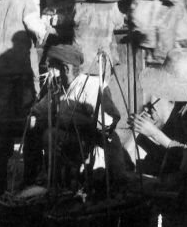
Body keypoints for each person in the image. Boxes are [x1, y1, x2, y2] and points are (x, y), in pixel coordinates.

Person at [27, 44, 123, 192]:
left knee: (51, 134)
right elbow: (37, 112)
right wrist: (33, 119)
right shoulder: (57, 91)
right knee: (48, 134)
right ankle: (56, 187)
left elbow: (108, 123)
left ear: (66, 69)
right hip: (75, 145)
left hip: (97, 147)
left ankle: (94, 184)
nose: (48, 72)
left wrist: (74, 121)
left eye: (51, 67)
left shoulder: (91, 86)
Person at [125, 48, 187, 183]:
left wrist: (154, 133)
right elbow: (170, 141)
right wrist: (157, 125)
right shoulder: (180, 104)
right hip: (167, 167)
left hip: (184, 178)